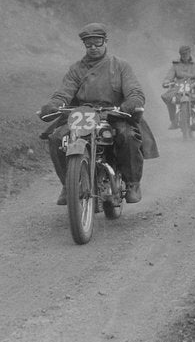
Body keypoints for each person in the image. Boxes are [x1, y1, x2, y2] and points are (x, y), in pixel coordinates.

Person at [38, 22, 149, 205]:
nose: (93, 48)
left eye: (97, 43)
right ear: (84, 46)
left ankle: (132, 183)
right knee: (57, 137)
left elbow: (134, 91)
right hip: (83, 114)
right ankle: (69, 184)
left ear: (106, 42)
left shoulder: (120, 66)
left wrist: (130, 104)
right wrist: (54, 104)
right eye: (89, 44)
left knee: (127, 136)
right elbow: (64, 92)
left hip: (113, 113)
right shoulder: (76, 69)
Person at [160, 45, 195, 129]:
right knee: (168, 97)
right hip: (178, 86)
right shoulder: (175, 65)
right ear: (180, 54)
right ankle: (173, 120)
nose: (184, 56)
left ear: (189, 53)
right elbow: (169, 76)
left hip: (194, 85)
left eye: (186, 54)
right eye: (182, 54)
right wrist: (166, 81)